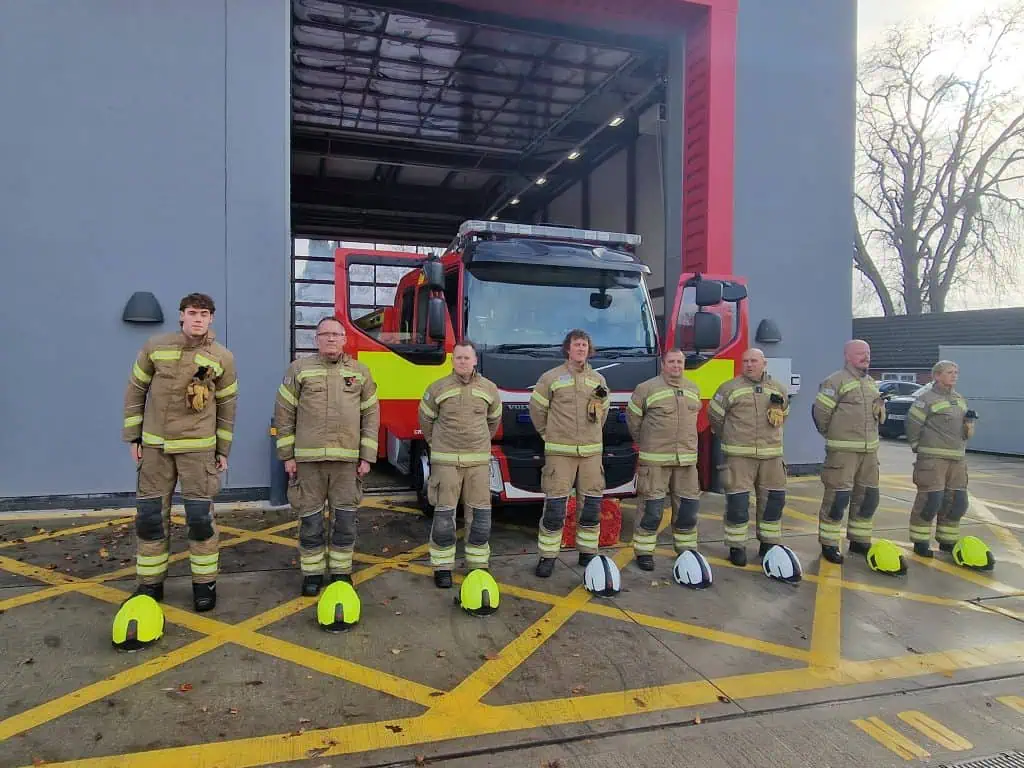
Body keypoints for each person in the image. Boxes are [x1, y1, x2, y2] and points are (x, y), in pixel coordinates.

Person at [122, 292, 238, 612]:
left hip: (198, 452)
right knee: (149, 518)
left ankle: (204, 585)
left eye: (204, 313)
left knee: (200, 520)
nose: (198, 318)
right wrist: (135, 437)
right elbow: (136, 390)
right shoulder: (155, 347)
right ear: (181, 315)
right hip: (156, 448)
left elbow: (227, 407)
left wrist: (222, 448)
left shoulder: (222, 357)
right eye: (192, 312)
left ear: (211, 318)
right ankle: (149, 584)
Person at [273, 317, 379, 596]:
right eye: (325, 334)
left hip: (347, 463)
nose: (331, 339)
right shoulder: (299, 370)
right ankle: (312, 573)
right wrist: (287, 456)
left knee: (345, 520)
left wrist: (367, 456)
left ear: (345, 339)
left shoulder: (360, 372)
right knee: (310, 521)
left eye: (336, 334)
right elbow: (284, 414)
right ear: (316, 339)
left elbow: (370, 416)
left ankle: (341, 573)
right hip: (308, 463)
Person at [418, 340, 502, 588]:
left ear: (475, 360)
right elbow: (426, 420)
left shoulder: (489, 388)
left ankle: (478, 566)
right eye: (458, 358)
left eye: (467, 358)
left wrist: (479, 443)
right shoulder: (437, 388)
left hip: (477, 462)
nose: (463, 362)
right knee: (444, 517)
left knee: (481, 516)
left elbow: (493, 421)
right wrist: (439, 444)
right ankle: (443, 567)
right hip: (446, 462)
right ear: (452, 361)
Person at [528, 329, 610, 578]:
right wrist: (549, 435)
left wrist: (590, 436)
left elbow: (602, 413)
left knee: (592, 506)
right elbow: (537, 410)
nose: (580, 349)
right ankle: (548, 556)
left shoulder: (599, 380)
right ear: (568, 348)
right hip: (560, 454)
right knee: (555, 507)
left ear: (589, 349)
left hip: (591, 454)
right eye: (576, 345)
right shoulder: (551, 378)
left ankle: (587, 552)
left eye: (584, 345)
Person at [707, 348, 789, 566]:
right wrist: (731, 437)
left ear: (764, 363)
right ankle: (737, 547)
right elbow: (715, 416)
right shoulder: (729, 388)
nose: (749, 365)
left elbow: (784, 414)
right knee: (738, 503)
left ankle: (769, 544)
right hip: (738, 457)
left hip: (771, 457)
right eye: (745, 361)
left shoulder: (778, 388)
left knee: (773, 501)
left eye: (754, 361)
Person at [626, 348, 703, 571]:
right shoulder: (646, 388)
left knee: (688, 508)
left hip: (686, 462)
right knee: (652, 508)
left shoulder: (693, 388)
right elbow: (633, 421)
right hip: (655, 461)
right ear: (663, 364)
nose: (676, 366)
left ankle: (686, 550)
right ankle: (644, 552)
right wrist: (647, 443)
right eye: (672, 362)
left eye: (680, 362)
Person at [812, 339, 884, 564]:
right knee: (837, 498)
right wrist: (835, 436)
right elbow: (820, 414)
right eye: (861, 353)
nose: (866, 357)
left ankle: (859, 540)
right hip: (843, 453)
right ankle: (829, 543)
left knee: (868, 497)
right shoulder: (834, 382)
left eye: (868, 352)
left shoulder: (872, 383)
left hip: (869, 452)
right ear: (848, 356)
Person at [905, 360, 976, 556]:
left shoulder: (960, 399)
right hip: (933, 459)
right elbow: (912, 424)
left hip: (957, 460)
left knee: (957, 502)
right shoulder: (926, 400)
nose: (954, 376)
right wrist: (917, 446)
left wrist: (969, 425)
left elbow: (963, 428)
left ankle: (947, 541)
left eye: (956, 372)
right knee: (931, 501)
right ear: (936, 376)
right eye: (949, 372)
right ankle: (920, 542)